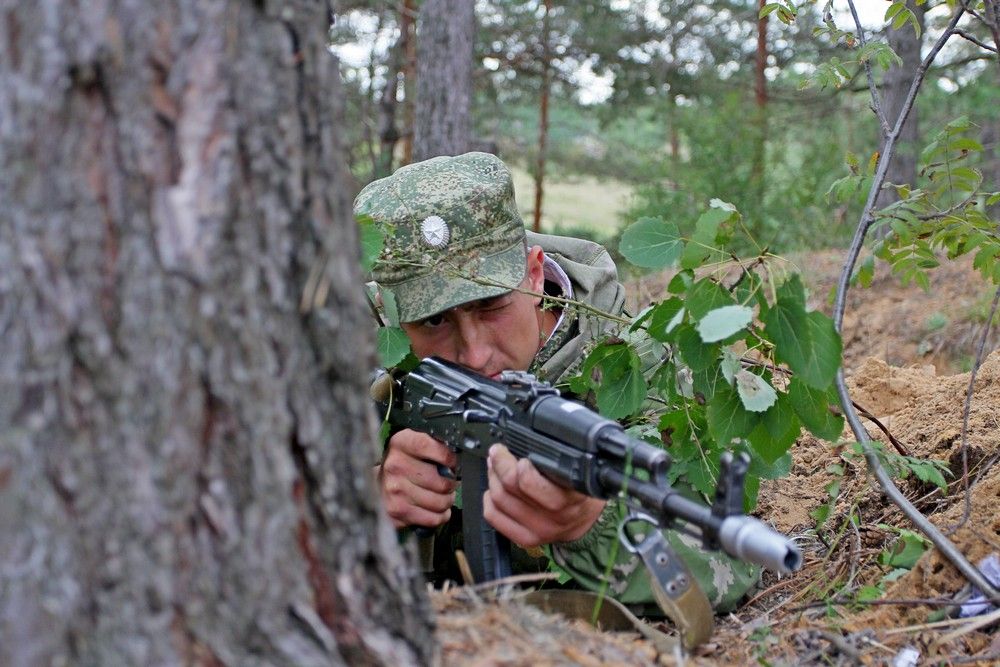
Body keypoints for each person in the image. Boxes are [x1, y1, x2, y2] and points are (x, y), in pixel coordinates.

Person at [355, 151, 758, 613]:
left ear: (533, 271)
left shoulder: (636, 371)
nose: (475, 353)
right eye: (434, 321)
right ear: (393, 312)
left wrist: (590, 523)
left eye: (492, 307)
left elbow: (729, 566)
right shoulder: (364, 357)